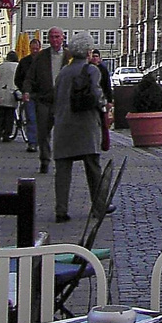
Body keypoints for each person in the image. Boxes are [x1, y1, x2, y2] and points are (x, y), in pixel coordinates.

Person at [51, 32, 106, 224]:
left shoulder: (63, 72)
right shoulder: (91, 70)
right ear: (88, 51)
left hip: (63, 125)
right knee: (93, 167)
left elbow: (56, 97)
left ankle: (61, 209)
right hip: (85, 124)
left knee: (63, 170)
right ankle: (99, 206)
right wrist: (105, 107)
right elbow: (97, 96)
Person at [21, 28, 66, 174]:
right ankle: (45, 160)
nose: (55, 40)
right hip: (44, 100)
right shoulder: (41, 57)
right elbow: (30, 77)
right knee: (43, 132)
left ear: (63, 38)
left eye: (57, 36)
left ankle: (62, 161)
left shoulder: (69, 56)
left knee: (63, 132)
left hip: (63, 101)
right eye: (52, 37)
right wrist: (27, 91)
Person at [90, 50, 114, 152]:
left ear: (99, 58)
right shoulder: (88, 69)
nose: (95, 58)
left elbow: (107, 86)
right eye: (93, 56)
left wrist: (109, 100)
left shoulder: (103, 70)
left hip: (102, 100)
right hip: (92, 100)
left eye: (96, 56)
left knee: (104, 123)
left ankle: (105, 144)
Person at [14, 50, 37, 150]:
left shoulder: (43, 60)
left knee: (44, 119)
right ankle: (32, 142)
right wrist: (24, 90)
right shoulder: (24, 62)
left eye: (36, 49)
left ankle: (41, 140)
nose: (35, 51)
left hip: (42, 95)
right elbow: (18, 78)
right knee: (31, 118)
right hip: (29, 94)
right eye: (33, 49)